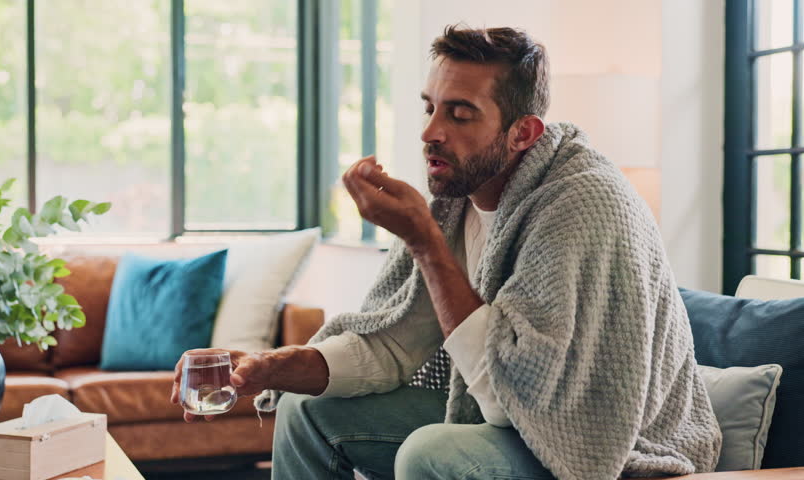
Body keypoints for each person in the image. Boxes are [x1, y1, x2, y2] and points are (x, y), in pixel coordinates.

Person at [171, 26, 721, 480]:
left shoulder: (581, 204)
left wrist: (425, 244)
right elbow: (393, 344)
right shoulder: (456, 201)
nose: (430, 132)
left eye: (460, 114)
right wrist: (269, 368)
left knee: (430, 454)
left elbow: (522, 401)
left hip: (598, 446)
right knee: (302, 411)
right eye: (430, 107)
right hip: (504, 416)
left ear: (522, 132)